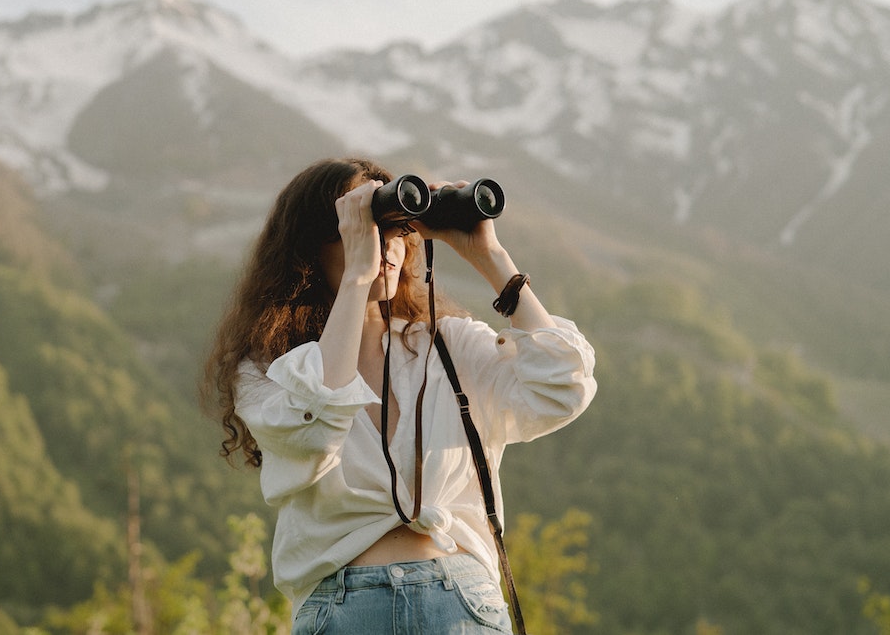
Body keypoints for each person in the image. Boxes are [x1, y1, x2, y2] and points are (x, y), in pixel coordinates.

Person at [203, 157, 597, 634]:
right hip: (343, 610)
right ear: (312, 243)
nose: (386, 245)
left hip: (462, 603)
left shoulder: (447, 346)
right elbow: (314, 430)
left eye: (394, 229)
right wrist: (356, 278)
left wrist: (489, 257)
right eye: (366, 226)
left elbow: (563, 385)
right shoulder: (268, 371)